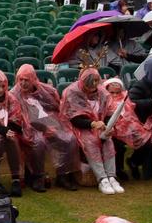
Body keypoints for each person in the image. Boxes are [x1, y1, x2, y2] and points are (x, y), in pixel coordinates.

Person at [11, 64, 80, 191]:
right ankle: (38, 176)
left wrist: (51, 124)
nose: (23, 83)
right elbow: (20, 118)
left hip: (49, 122)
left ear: (33, 79)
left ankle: (63, 175)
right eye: (21, 80)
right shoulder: (14, 94)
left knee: (70, 139)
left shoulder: (43, 90)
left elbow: (54, 106)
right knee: (38, 142)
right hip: (28, 128)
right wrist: (44, 128)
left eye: (26, 80)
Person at [61, 67, 123, 195]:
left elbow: (108, 112)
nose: (93, 88)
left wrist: (107, 126)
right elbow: (74, 118)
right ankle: (102, 179)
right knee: (91, 142)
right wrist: (92, 124)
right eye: (90, 86)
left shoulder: (102, 92)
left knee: (107, 140)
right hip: (78, 126)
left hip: (99, 126)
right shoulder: (72, 92)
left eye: (95, 84)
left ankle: (112, 176)